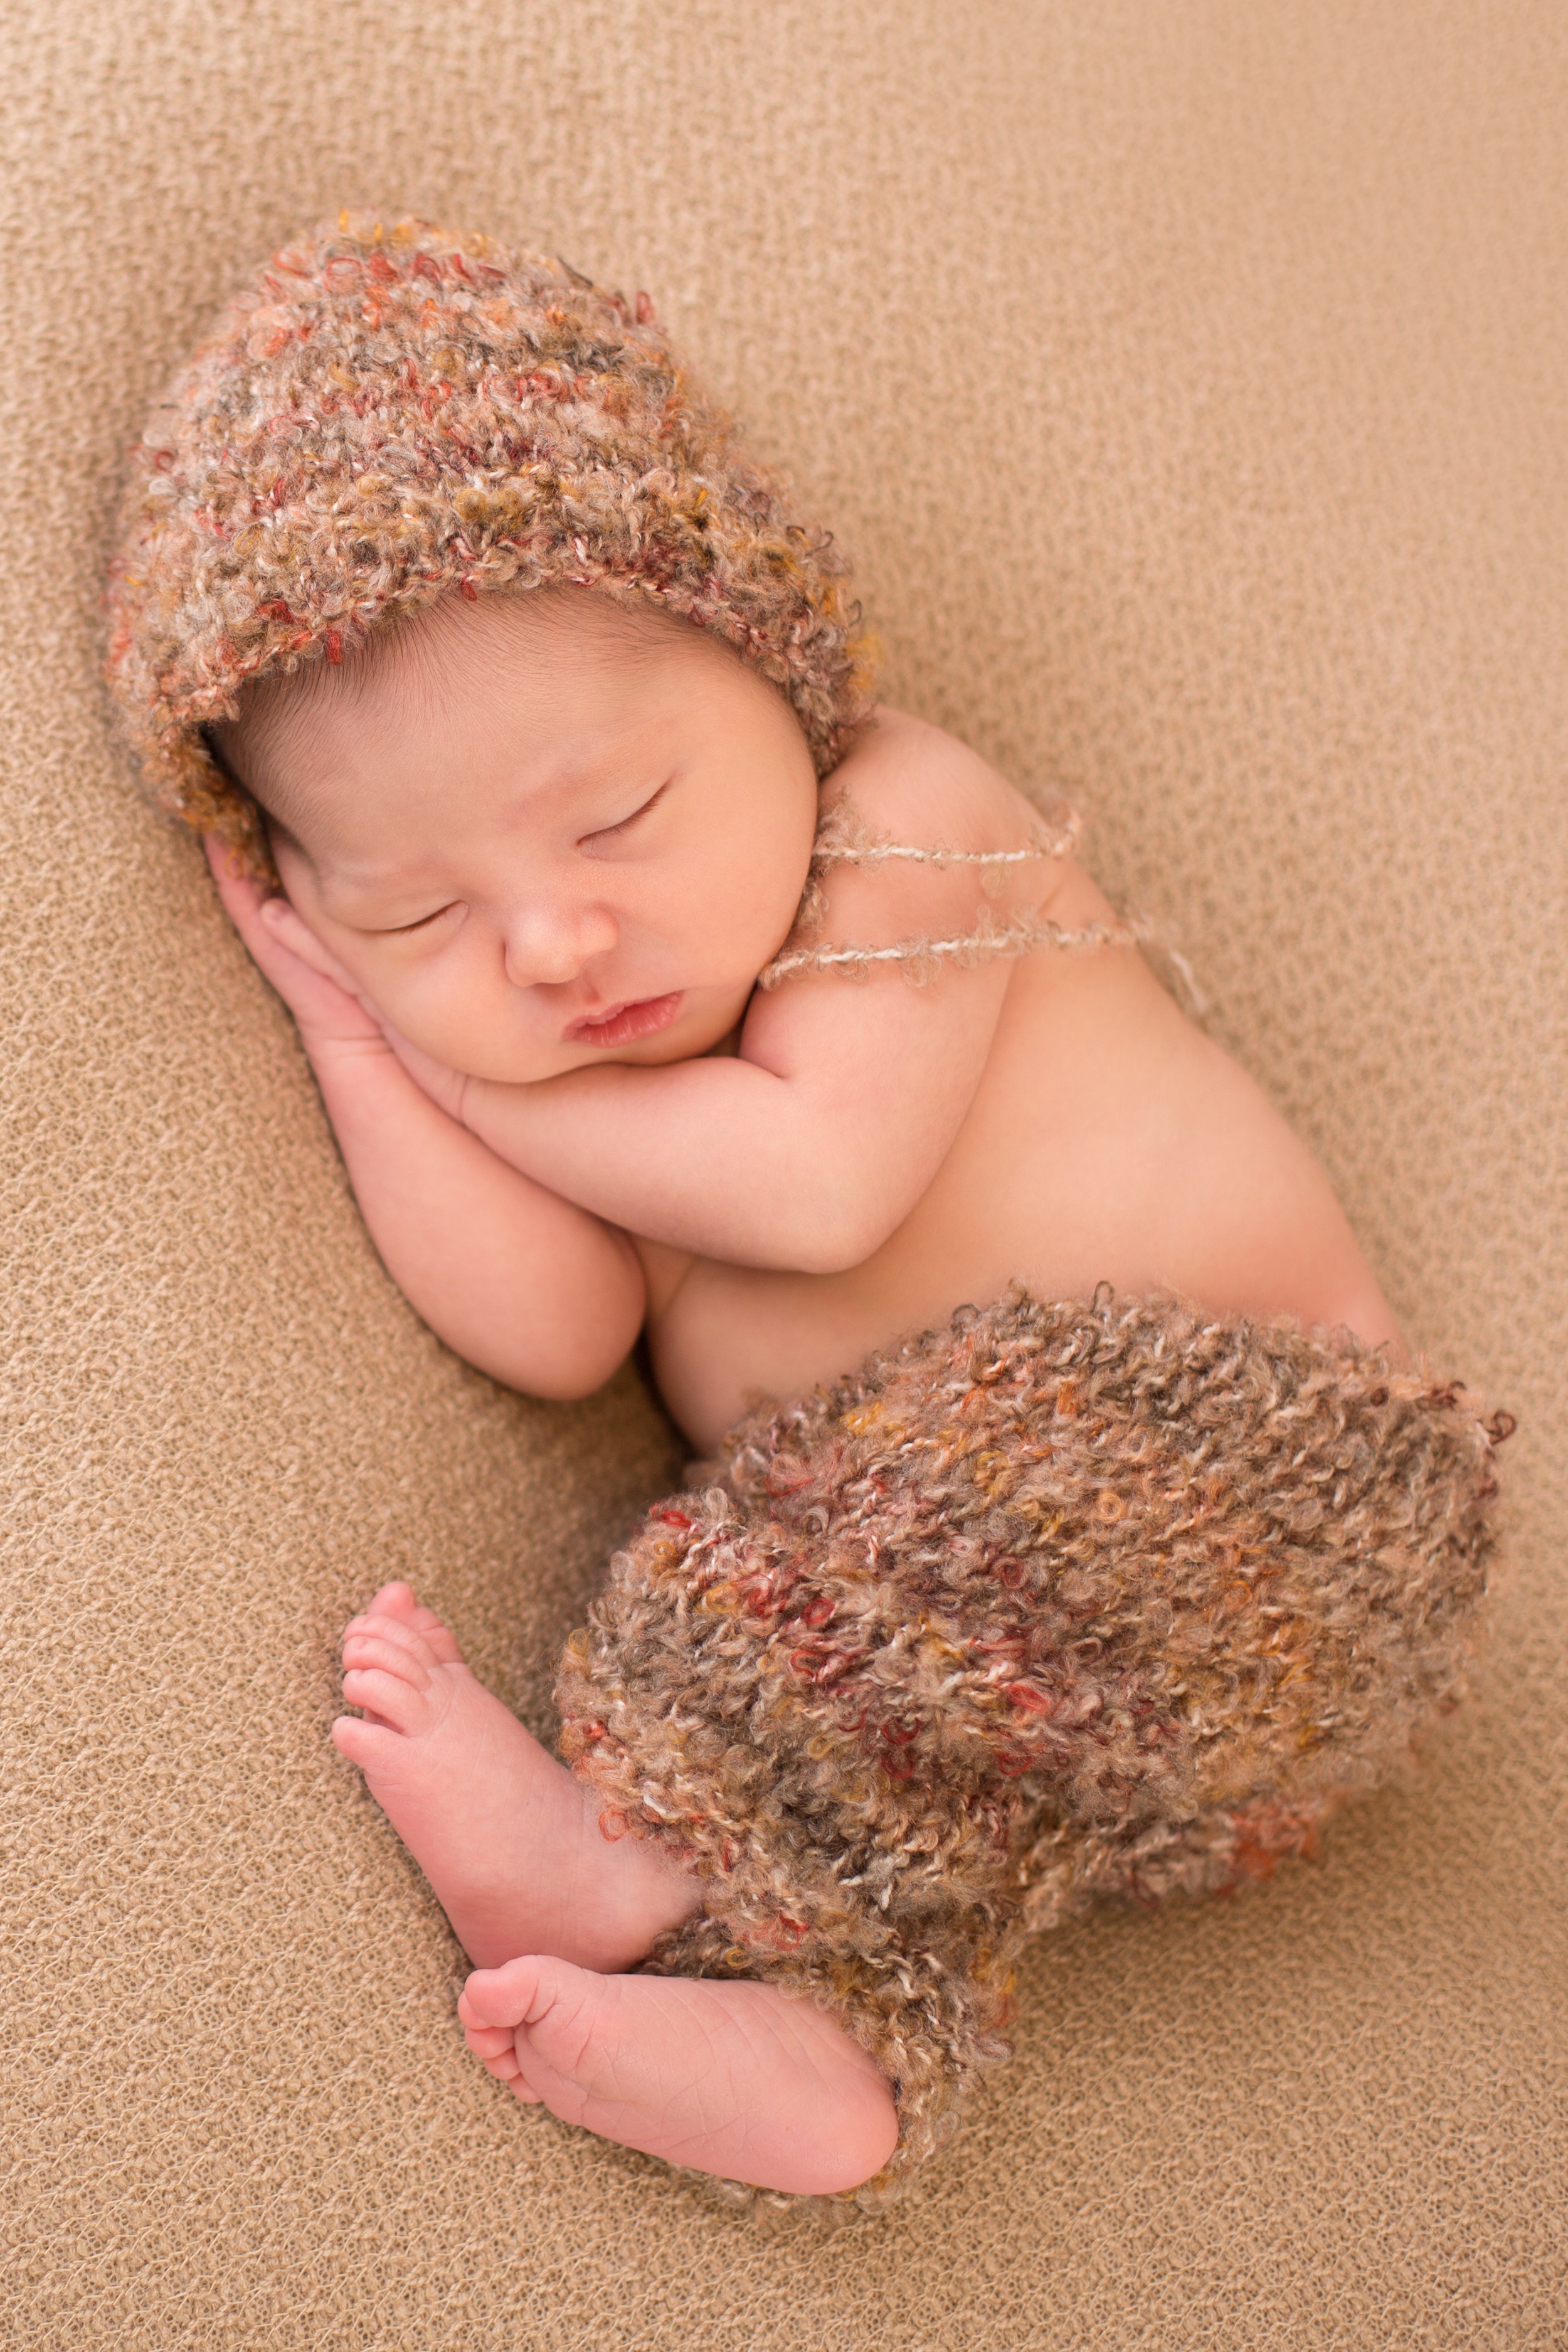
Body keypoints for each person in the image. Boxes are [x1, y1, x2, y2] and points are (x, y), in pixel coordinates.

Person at [104, 214, 1510, 2207]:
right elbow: (549, 1327)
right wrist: (351, 1036)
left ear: (769, 666)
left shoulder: (907, 824)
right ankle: (835, 2052)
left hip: (1278, 1482)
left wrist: (448, 1051)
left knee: (831, 1579)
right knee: (846, 1684)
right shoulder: (577, 1072)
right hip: (1017, 1727)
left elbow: (819, 1186)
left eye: (619, 818)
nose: (556, 941)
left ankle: (623, 1850)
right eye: (419, 911)